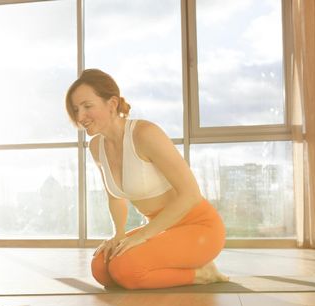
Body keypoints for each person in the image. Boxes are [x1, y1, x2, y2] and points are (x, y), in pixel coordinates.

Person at [65, 69, 229, 289]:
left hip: (199, 227)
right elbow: (115, 197)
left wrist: (143, 236)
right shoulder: (96, 147)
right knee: (101, 267)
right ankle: (162, 262)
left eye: (87, 106)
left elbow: (190, 195)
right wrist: (119, 235)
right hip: (161, 229)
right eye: (76, 109)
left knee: (126, 269)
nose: (80, 116)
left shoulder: (144, 134)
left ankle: (203, 273)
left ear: (112, 104)